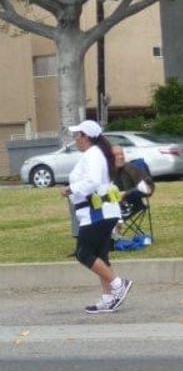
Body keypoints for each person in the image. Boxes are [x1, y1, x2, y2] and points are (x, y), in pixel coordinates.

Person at [62, 120, 132, 315]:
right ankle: (109, 298)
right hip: (105, 211)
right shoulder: (97, 154)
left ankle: (119, 284)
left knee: (83, 253)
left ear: (85, 137)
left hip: (97, 213)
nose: (75, 139)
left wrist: (71, 189)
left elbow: (92, 181)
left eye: (77, 135)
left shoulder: (92, 154)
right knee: (100, 256)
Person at [112, 144, 155, 221]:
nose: (121, 157)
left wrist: (126, 193)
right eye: (116, 155)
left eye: (121, 154)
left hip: (130, 205)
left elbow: (148, 189)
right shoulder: (105, 171)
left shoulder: (130, 168)